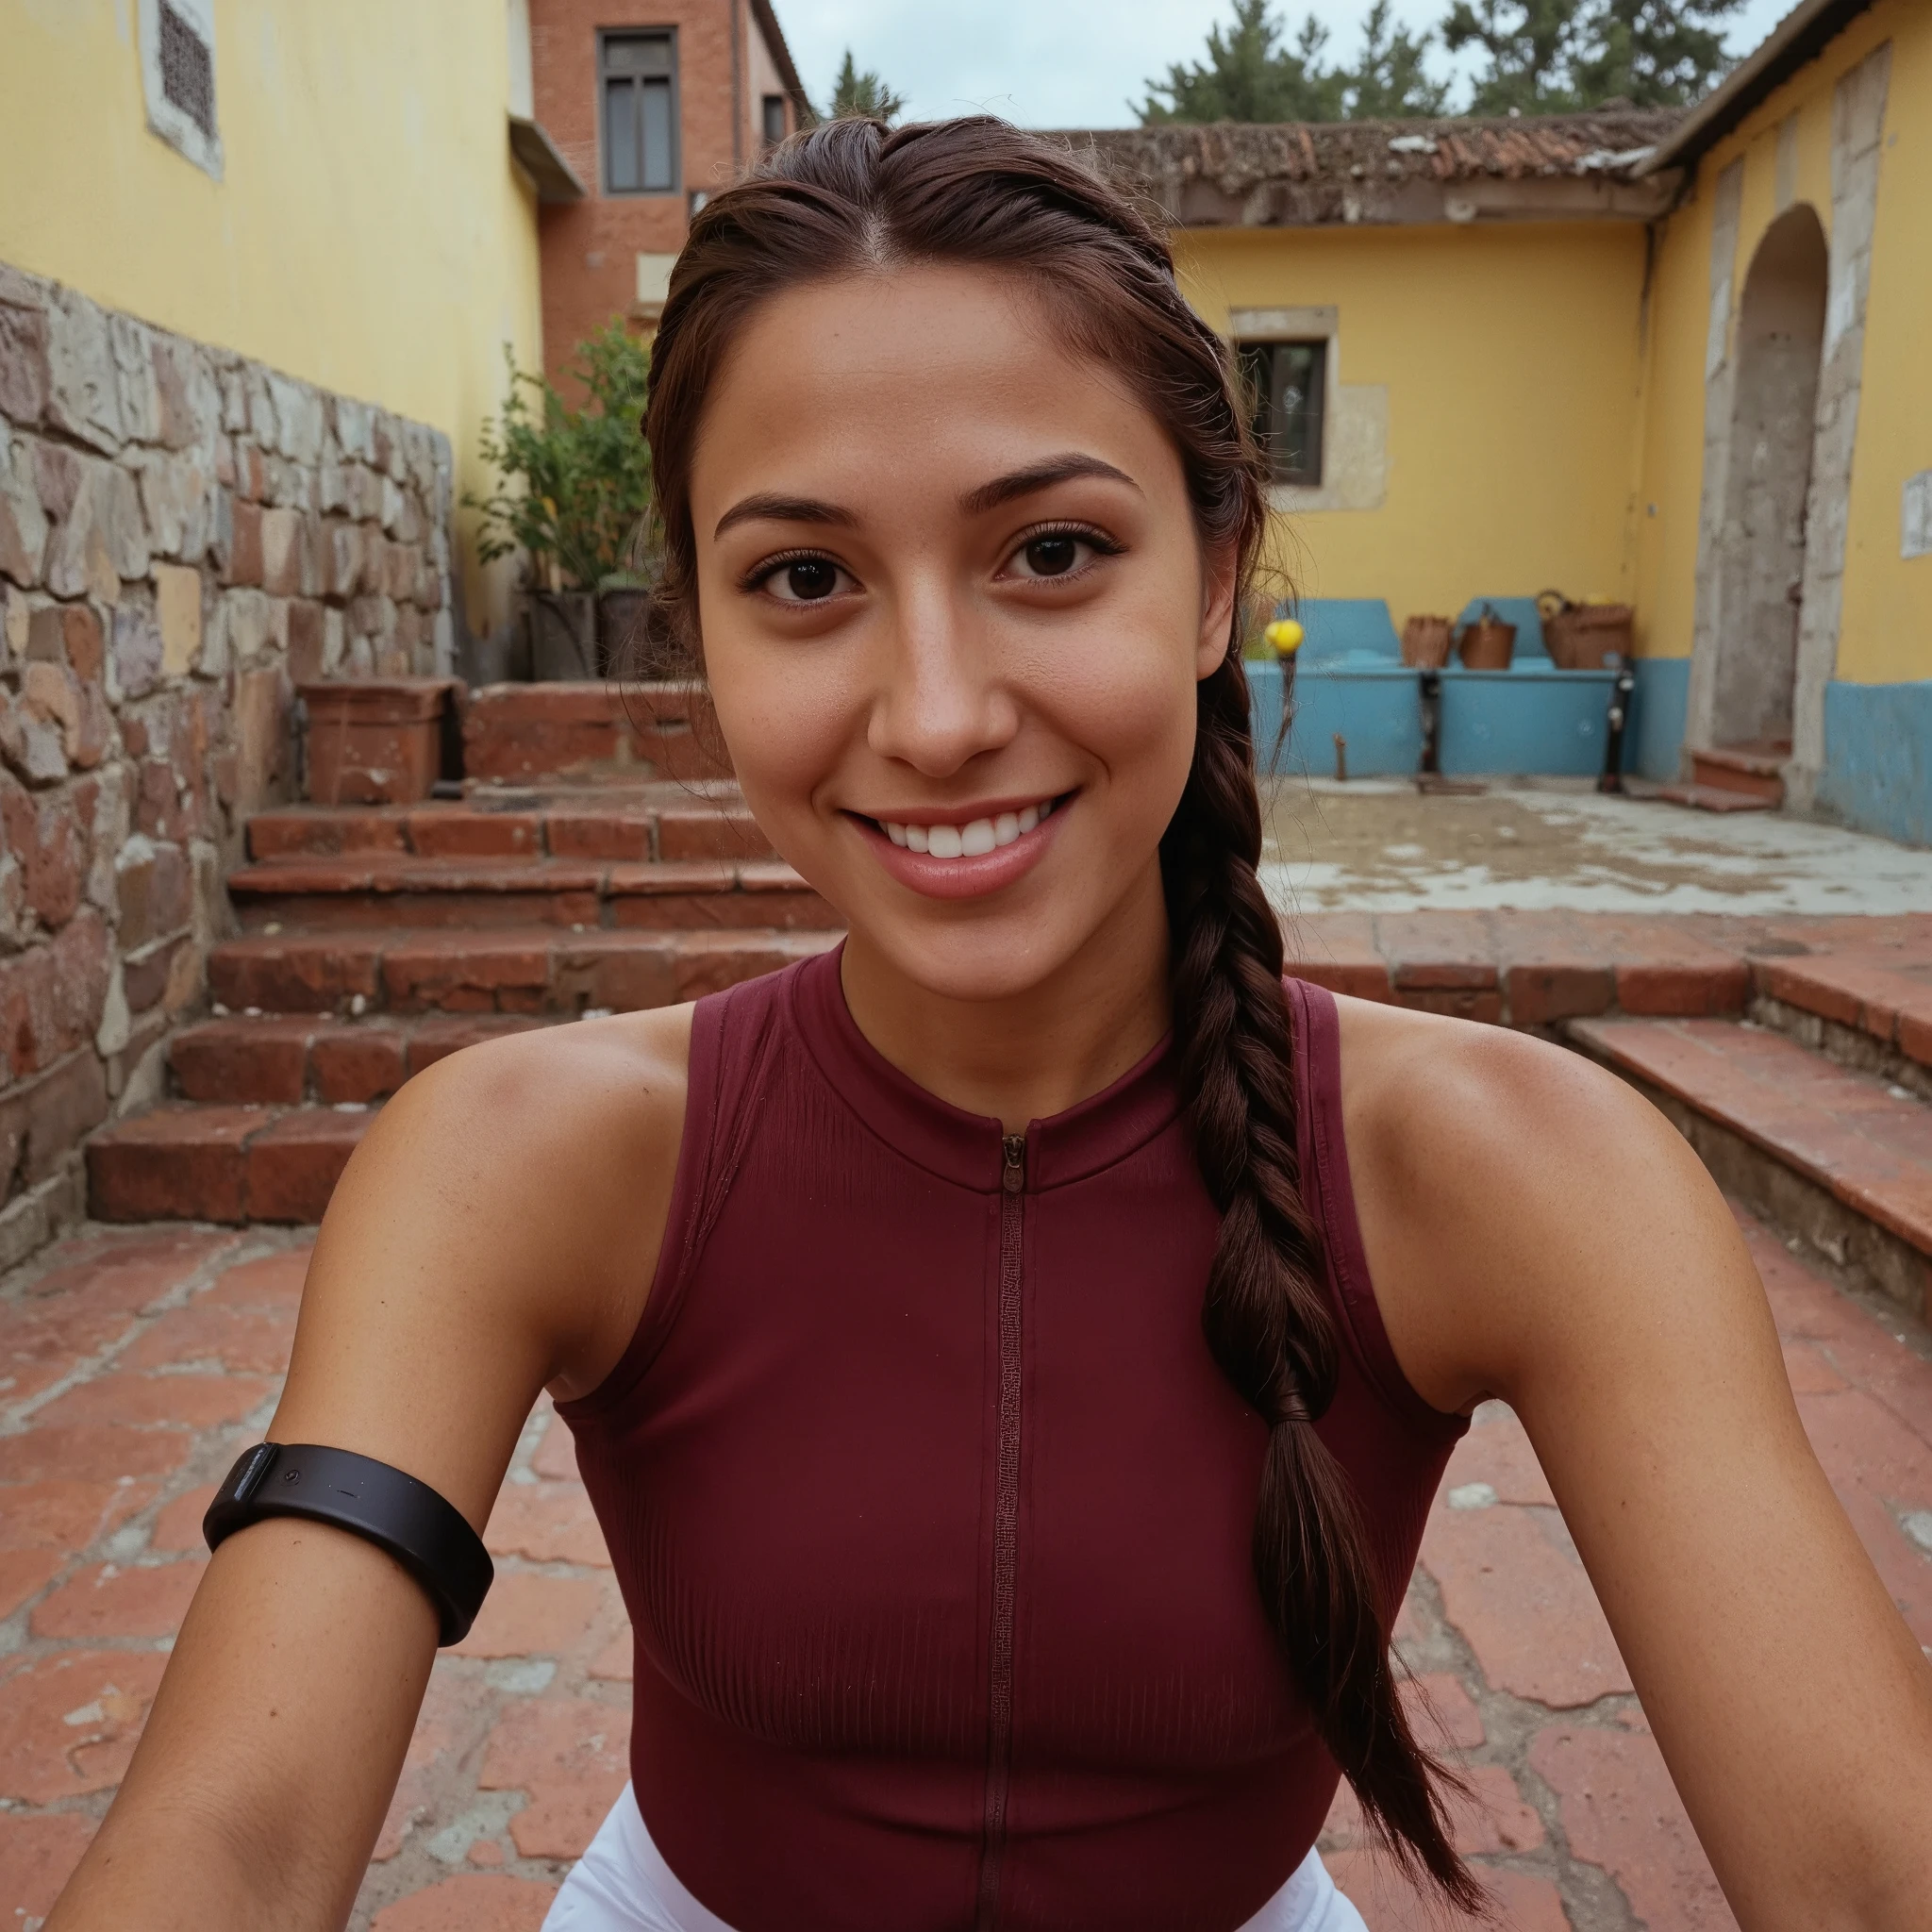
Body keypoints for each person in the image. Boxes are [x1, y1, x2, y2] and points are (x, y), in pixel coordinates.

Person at [48, 117, 1932, 1932]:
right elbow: (236, 1833)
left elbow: (1864, 1869)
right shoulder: (519, 1161)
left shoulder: (1526, 1176)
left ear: (1216, 580)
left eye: (1048, 553)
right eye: (804, 579)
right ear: (696, 630)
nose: (937, 714)